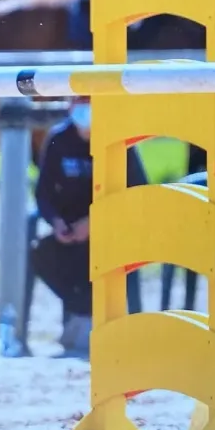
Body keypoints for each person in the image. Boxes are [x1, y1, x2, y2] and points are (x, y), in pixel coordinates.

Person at [29, 97, 146, 353]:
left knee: (97, 258)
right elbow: (43, 193)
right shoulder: (58, 139)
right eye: (79, 102)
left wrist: (95, 222)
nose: (85, 109)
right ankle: (83, 312)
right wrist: (57, 222)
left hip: (112, 232)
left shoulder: (119, 141)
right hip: (69, 231)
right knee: (41, 254)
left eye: (90, 102)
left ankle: (96, 320)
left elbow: (140, 194)